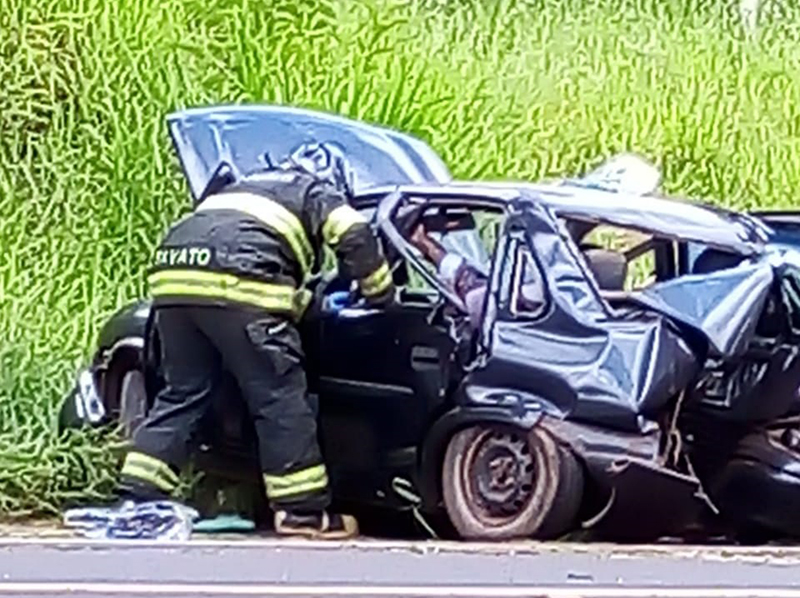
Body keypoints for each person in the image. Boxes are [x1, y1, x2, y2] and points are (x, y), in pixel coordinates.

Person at [116, 141, 395, 540]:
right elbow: (354, 232)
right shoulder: (315, 191)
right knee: (279, 396)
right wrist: (378, 290)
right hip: (237, 279)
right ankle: (302, 512)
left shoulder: (240, 188)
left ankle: (138, 496)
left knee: (184, 392)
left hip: (172, 279)